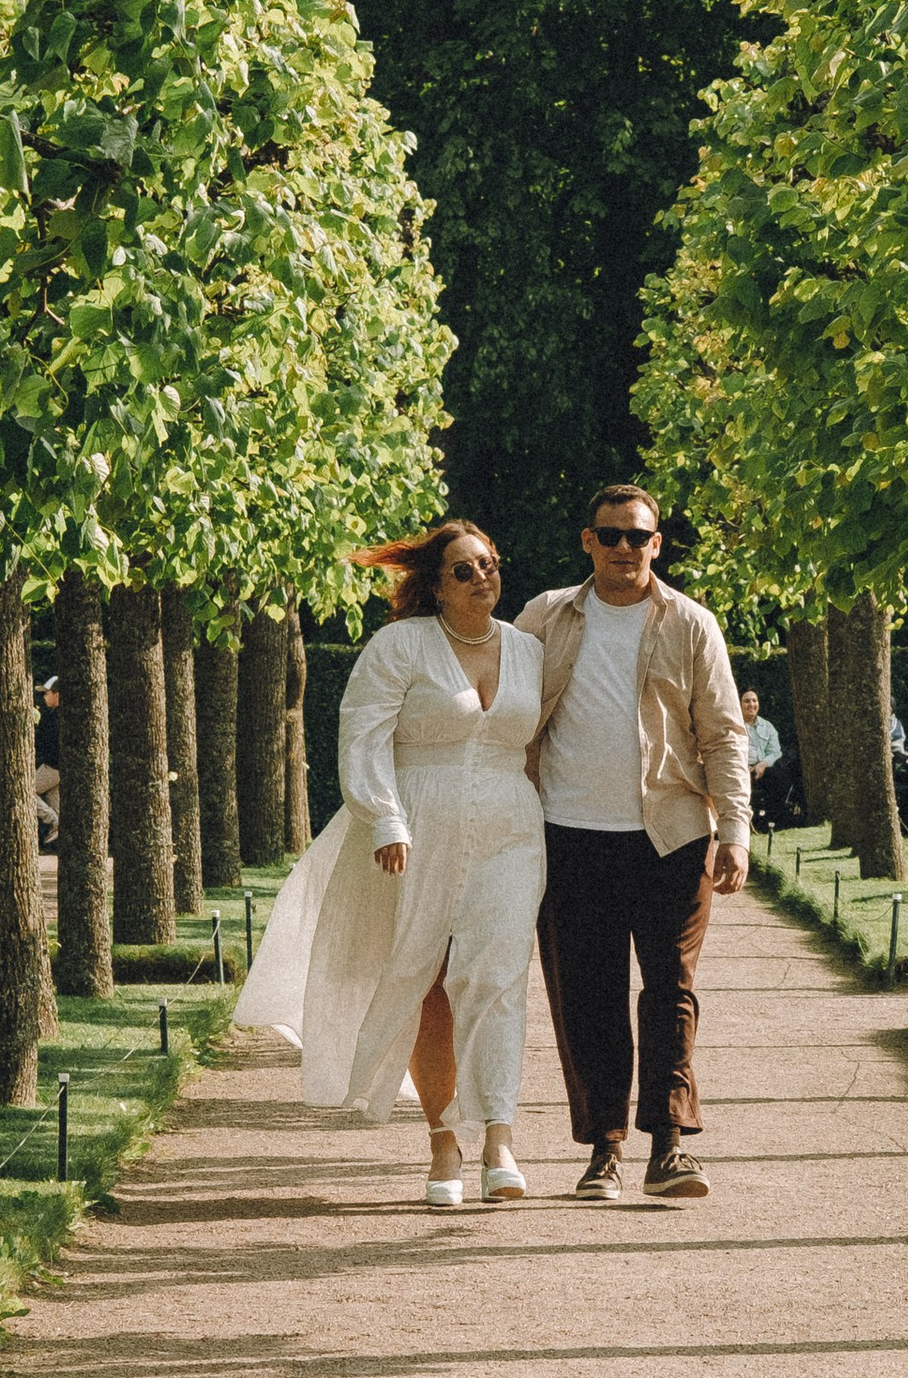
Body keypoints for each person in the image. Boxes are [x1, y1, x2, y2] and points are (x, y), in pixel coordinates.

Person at [232, 518, 546, 1205]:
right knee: (423, 978)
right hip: (416, 823)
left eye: (489, 563)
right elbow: (364, 736)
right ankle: (443, 1141)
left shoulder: (527, 649)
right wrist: (385, 819)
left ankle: (500, 1138)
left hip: (511, 828)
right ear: (434, 584)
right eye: (463, 569)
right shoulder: (399, 646)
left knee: (494, 975)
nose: (481, 577)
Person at [518, 480, 751, 1203]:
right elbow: (500, 708)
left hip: (672, 837)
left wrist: (734, 833)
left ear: (657, 543)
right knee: (586, 997)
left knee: (669, 992)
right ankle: (605, 1151)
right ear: (588, 541)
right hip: (567, 837)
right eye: (610, 535)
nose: (625, 548)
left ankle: (670, 1146)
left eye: (638, 536)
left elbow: (722, 733)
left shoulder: (690, 623)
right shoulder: (543, 617)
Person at [32, 674, 61, 848]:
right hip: (59, 769)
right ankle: (57, 826)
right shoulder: (58, 715)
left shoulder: (53, 717)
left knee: (26, 792)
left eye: (47, 693)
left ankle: (53, 819)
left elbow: (42, 741)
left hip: (52, 767)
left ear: (57, 694)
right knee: (54, 800)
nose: (44, 697)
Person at [741, 690, 782, 804]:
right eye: (746, 701)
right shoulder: (733, 725)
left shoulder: (767, 726)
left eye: (754, 700)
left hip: (762, 770)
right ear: (739, 704)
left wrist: (762, 764)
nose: (751, 705)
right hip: (739, 769)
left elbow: (775, 752)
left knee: (780, 774)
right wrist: (744, 766)